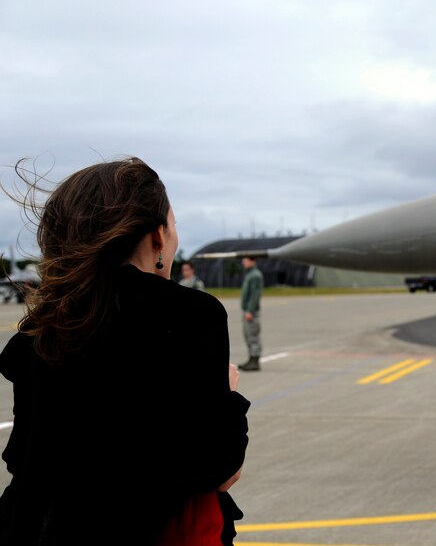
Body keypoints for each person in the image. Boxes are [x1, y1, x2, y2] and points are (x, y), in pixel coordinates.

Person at [0, 158, 250, 545]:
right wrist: (228, 396)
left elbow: (23, 460)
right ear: (157, 237)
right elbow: (220, 468)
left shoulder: (42, 327)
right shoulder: (190, 314)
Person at [239, 256, 263, 372]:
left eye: (246, 261)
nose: (243, 263)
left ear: (252, 261)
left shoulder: (255, 275)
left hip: (251, 312)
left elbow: (255, 295)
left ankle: (255, 361)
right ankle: (251, 359)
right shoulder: (250, 274)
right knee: (248, 335)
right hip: (247, 311)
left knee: (253, 336)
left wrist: (250, 310)